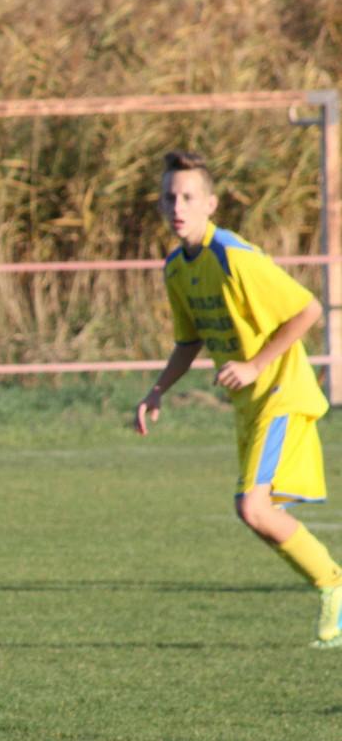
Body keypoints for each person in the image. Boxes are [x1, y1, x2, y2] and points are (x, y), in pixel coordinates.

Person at [136, 150, 340, 647]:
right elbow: (189, 341)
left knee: (253, 508)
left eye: (188, 197)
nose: (178, 207)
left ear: (211, 204)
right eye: (169, 198)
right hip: (249, 404)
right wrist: (158, 389)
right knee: (254, 511)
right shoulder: (176, 268)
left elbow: (308, 310)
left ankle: (333, 585)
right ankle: (332, 584)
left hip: (280, 393)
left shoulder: (233, 256)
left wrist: (255, 364)